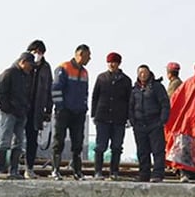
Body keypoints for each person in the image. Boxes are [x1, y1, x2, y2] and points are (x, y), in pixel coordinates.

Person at [50, 44, 92, 180]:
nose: (89, 59)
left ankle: (77, 170)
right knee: (59, 141)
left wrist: (84, 107)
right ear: (80, 55)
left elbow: (85, 93)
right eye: (88, 56)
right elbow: (56, 88)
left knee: (78, 143)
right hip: (64, 112)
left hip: (78, 113)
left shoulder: (85, 72)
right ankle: (55, 169)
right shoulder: (64, 68)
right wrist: (60, 107)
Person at [91, 52, 132, 180]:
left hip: (119, 118)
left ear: (119, 63)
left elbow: (129, 100)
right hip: (102, 117)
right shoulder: (101, 78)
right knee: (100, 146)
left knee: (116, 146)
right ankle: (98, 171)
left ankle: (114, 172)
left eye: (114, 62)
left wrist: (129, 118)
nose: (111, 64)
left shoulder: (126, 80)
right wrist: (93, 114)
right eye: (109, 62)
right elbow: (95, 97)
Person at [128, 64, 170, 182]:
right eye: (140, 73)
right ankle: (144, 174)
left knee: (158, 151)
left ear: (149, 73)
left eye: (145, 72)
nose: (143, 75)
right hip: (139, 125)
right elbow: (130, 107)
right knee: (142, 151)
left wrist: (162, 120)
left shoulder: (157, 87)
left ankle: (157, 174)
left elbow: (165, 104)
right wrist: (133, 121)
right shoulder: (134, 90)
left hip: (155, 123)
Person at [0, 52, 35, 179]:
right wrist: (7, 108)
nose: (31, 68)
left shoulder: (27, 76)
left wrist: (26, 107)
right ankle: (1, 168)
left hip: (21, 113)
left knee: (18, 142)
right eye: (29, 64)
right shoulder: (9, 73)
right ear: (23, 62)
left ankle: (14, 169)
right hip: (9, 113)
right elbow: (1, 93)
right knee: (5, 140)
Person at [24, 39, 53, 179]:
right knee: (15, 140)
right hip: (21, 109)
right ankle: (11, 167)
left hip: (37, 110)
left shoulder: (46, 68)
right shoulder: (22, 64)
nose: (37, 54)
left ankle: (29, 168)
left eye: (40, 52)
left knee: (32, 140)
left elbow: (49, 90)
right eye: (35, 52)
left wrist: (48, 110)